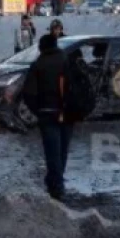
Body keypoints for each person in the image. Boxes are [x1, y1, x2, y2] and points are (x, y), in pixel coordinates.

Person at [22, 34, 77, 200]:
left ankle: (56, 186)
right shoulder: (68, 61)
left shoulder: (38, 65)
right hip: (67, 112)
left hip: (47, 113)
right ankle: (56, 181)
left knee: (52, 151)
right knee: (62, 151)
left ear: (41, 48)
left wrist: (38, 110)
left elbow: (29, 93)